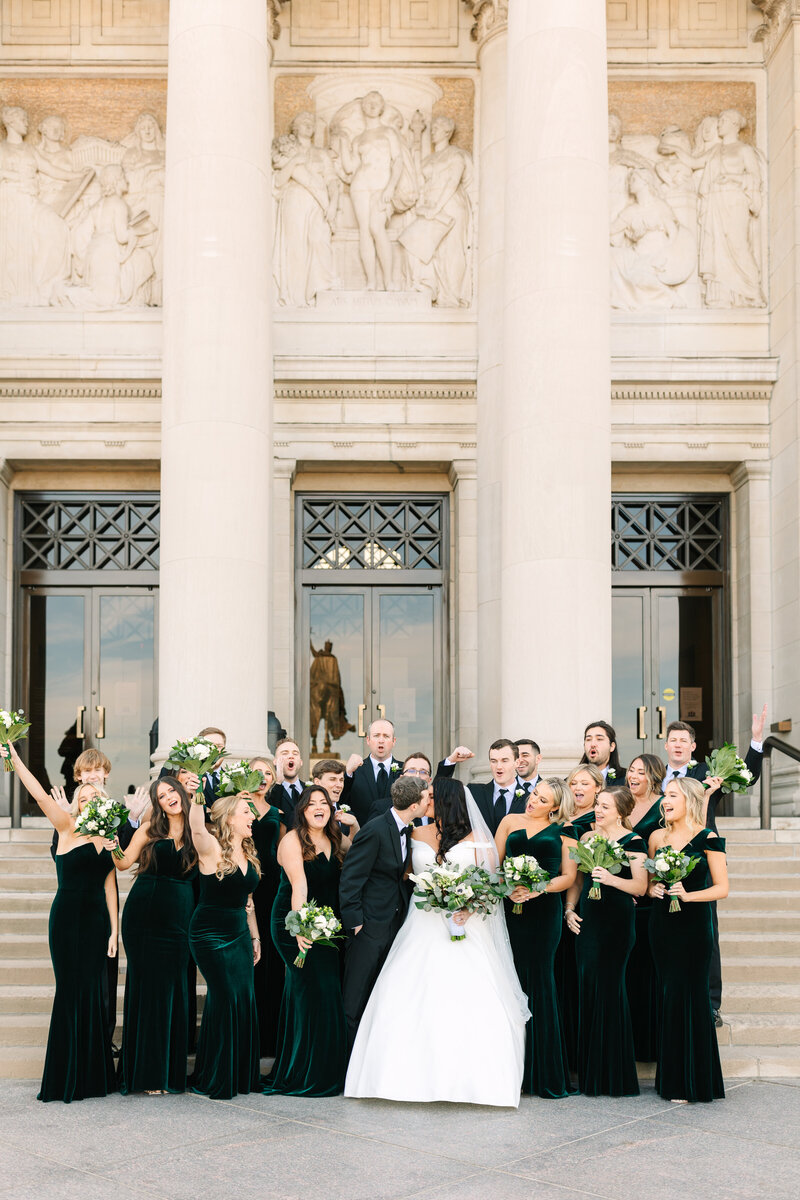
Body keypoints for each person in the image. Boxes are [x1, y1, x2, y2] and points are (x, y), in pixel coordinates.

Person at [345, 777, 529, 1106]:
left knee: (467, 997)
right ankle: (398, 1078)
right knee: (407, 992)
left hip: (463, 925)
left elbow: (492, 883)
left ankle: (472, 1082)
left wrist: (469, 908)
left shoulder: (479, 841)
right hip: (420, 923)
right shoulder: (414, 833)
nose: (426, 801)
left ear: (445, 801)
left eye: (431, 797)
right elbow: (401, 875)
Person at [3, 744, 117, 1102]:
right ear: (76, 801)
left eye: (95, 795)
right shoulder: (66, 827)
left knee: (92, 994)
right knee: (70, 992)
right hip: (67, 920)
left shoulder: (106, 836)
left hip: (98, 920)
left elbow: (110, 884)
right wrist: (15, 758)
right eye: (83, 795)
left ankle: (93, 1077)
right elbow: (37, 792)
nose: (89, 799)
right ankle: (65, 1078)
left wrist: (115, 930)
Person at [662, 706, 766, 1024]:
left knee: (706, 930)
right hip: (662, 859)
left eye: (684, 740)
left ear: (693, 747)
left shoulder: (706, 776)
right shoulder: (654, 777)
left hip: (702, 861)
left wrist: (757, 742)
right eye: (673, 740)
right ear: (665, 745)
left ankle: (710, 1002)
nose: (678, 744)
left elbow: (747, 775)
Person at [265, 786, 357, 1096]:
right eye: (312, 804)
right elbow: (299, 888)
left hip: (327, 924)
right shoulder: (293, 841)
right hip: (295, 921)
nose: (319, 807)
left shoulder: (335, 838)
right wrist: (302, 927)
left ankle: (326, 1068)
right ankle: (304, 1072)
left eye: (324, 803)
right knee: (310, 992)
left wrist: (354, 825)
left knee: (327, 991)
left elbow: (357, 852)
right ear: (302, 810)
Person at [112, 776, 198, 1095]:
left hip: (180, 916)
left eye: (171, 791)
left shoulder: (198, 827)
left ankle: (168, 1072)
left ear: (181, 792)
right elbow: (122, 863)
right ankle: (147, 1075)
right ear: (157, 804)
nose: (168, 798)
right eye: (161, 796)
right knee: (147, 991)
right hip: (144, 914)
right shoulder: (150, 829)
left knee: (173, 989)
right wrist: (109, 836)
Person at [648, 776, 729, 1103]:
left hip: (694, 927)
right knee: (670, 996)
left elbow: (722, 888)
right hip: (662, 926)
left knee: (693, 996)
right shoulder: (656, 837)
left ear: (689, 800)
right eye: (665, 796)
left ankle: (696, 1080)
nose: (665, 801)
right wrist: (653, 887)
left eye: (671, 796)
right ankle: (672, 1079)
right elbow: (652, 878)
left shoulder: (707, 837)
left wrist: (690, 895)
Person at [495, 779, 577, 1098]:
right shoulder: (509, 821)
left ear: (554, 807)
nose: (532, 801)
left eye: (542, 800)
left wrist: (537, 888)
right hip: (510, 908)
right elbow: (494, 864)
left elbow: (569, 876)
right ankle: (511, 1069)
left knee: (540, 982)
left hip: (544, 916)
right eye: (533, 794)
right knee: (509, 980)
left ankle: (543, 1073)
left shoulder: (565, 830)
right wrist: (508, 887)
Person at [565, 786, 648, 1097]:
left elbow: (640, 886)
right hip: (588, 919)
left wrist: (610, 878)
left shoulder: (634, 842)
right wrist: (570, 908)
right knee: (587, 988)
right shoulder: (586, 839)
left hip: (616, 921)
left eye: (605, 806)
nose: (597, 811)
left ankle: (615, 1076)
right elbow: (578, 879)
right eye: (597, 805)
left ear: (621, 812)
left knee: (611, 991)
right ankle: (590, 1076)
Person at [339, 774, 430, 1054]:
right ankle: (346, 1063)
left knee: (378, 995)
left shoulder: (406, 828)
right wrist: (355, 922)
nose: (429, 802)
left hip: (393, 922)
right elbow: (351, 879)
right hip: (367, 926)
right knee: (355, 996)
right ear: (414, 805)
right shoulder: (375, 829)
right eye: (426, 798)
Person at [187, 791, 262, 1100]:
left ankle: (241, 1074)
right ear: (230, 817)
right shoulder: (212, 848)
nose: (253, 818)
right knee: (225, 996)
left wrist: (255, 936)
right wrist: (196, 796)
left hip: (239, 933)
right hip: (209, 933)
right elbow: (196, 829)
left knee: (244, 997)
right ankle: (217, 1074)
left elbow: (248, 901)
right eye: (247, 812)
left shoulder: (249, 852)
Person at [554, 762, 606, 1070]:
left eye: (585, 783)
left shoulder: (594, 824)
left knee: (575, 977)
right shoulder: (557, 817)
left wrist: (570, 907)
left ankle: (576, 1055)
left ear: (598, 789)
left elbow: (582, 874)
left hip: (581, 900)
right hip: (546, 896)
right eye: (574, 783)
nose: (578, 788)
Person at [625, 754, 667, 1062]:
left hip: (649, 902)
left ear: (654, 776)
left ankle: (649, 1046)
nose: (633, 775)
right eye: (630, 770)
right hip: (615, 895)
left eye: (640, 771)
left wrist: (652, 883)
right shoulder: (620, 802)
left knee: (646, 974)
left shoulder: (664, 806)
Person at [247, 754, 283, 1057]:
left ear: (273, 779)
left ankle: (269, 1036)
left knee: (270, 956)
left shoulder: (278, 812)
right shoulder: (236, 807)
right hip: (245, 880)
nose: (262, 777)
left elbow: (284, 852)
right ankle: (248, 1031)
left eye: (267, 772)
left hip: (272, 885)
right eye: (256, 772)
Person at [469, 739, 530, 834]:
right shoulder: (474, 792)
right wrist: (450, 761)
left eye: (504, 761)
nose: (498, 766)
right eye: (494, 761)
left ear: (517, 763)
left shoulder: (529, 798)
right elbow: (441, 796)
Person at [268, 737, 307, 827]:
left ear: (301, 762)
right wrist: (278, 783)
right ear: (275, 762)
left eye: (295, 753)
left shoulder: (311, 789)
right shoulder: (268, 791)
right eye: (285, 753)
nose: (291, 756)